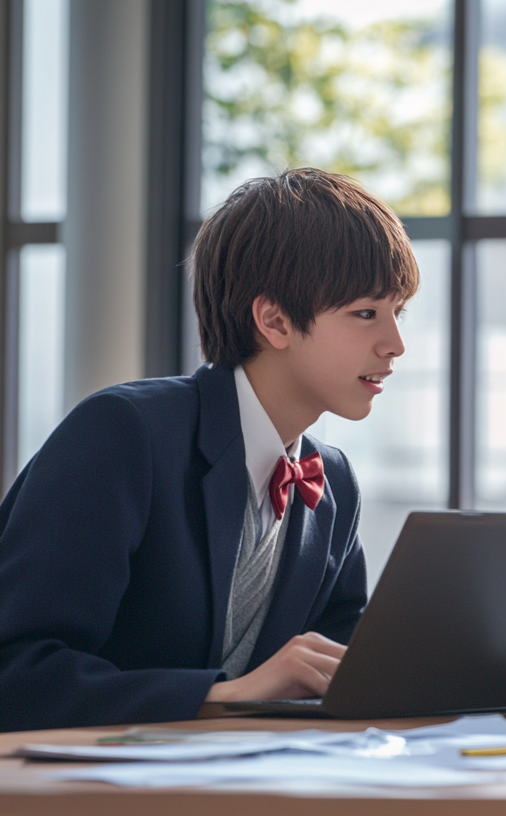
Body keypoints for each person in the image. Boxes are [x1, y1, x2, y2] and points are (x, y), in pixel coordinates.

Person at [0, 168, 417, 732]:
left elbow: (342, 672)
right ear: (273, 321)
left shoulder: (332, 481)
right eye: (367, 313)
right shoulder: (124, 433)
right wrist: (227, 695)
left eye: (399, 312)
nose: (395, 344)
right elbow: (17, 672)